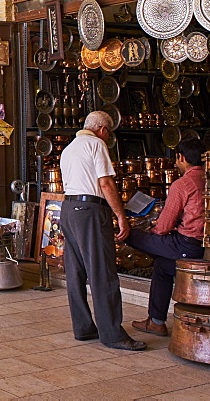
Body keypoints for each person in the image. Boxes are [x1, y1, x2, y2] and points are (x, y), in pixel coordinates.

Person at [58, 110, 146, 351]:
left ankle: (84, 327)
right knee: (102, 272)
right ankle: (112, 334)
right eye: (109, 134)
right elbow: (105, 183)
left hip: (68, 209)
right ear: (103, 130)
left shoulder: (69, 149)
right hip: (90, 211)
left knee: (75, 272)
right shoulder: (96, 144)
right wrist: (121, 215)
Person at [127, 138, 206, 336]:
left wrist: (153, 235)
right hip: (204, 246)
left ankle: (155, 320)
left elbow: (164, 226)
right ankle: (156, 321)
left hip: (187, 245)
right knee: (162, 266)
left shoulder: (183, 183)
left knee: (131, 235)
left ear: (181, 157)